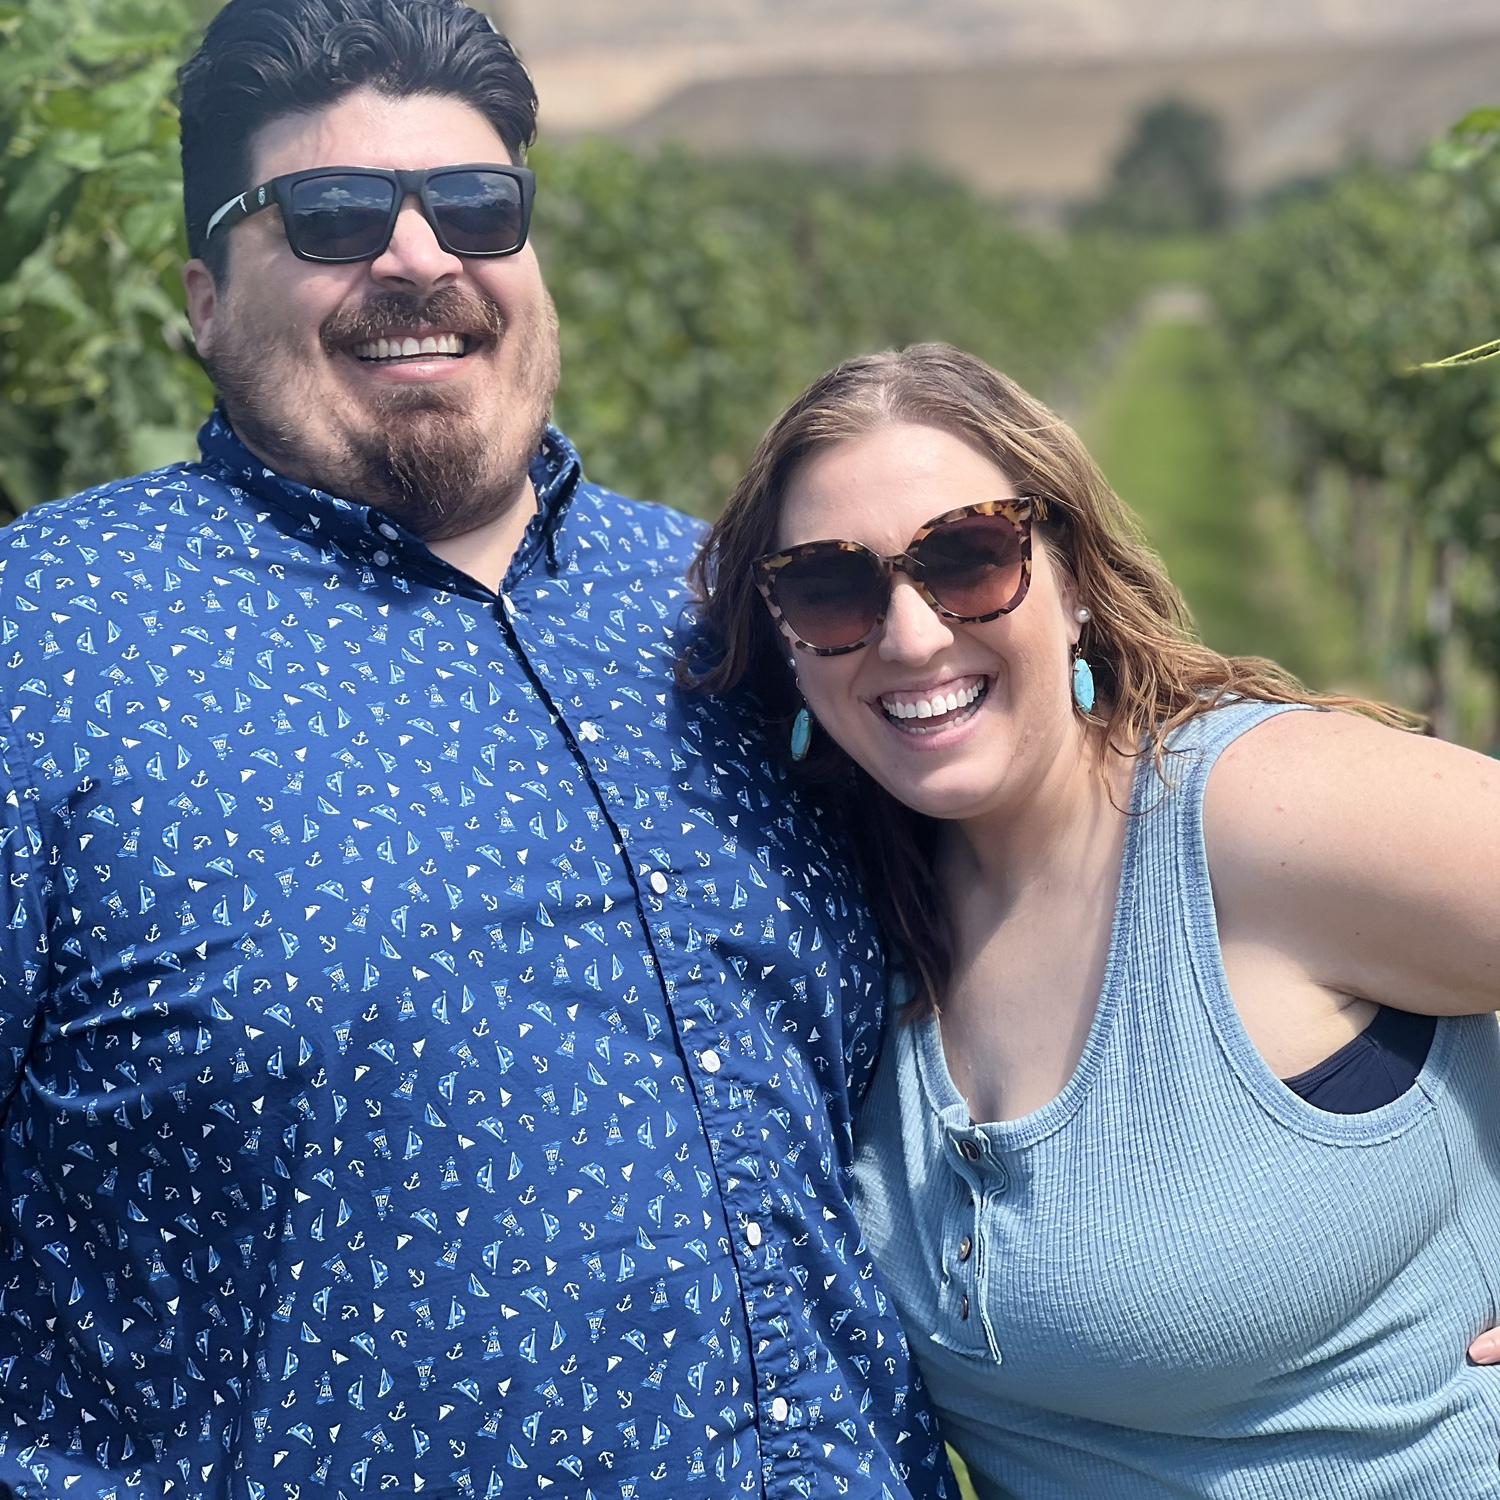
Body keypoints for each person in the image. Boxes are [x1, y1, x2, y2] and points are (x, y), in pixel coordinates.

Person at [0, 4, 956, 1496]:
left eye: (474, 206)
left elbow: (1039, 911)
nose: (417, 258)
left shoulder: (735, 608)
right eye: (329, 216)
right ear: (202, 298)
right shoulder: (46, 645)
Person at [688, 342, 1500, 1498]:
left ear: (1071, 581)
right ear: (784, 638)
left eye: (967, 558)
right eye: (830, 588)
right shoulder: (853, 920)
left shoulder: (1253, 819)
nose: (910, 636)